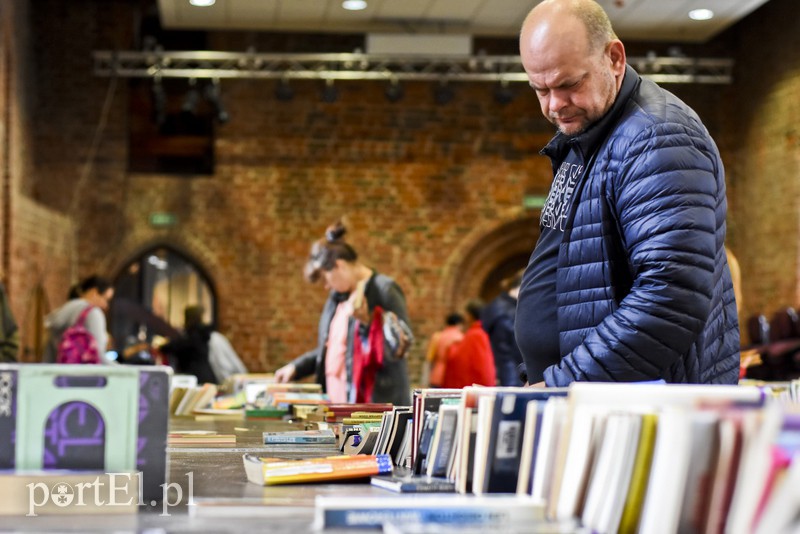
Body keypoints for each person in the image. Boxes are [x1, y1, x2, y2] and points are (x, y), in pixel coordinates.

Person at [514, 0, 740, 387]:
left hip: (638, 407)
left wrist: (562, 382)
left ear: (615, 58)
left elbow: (671, 297)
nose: (555, 105)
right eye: (541, 90)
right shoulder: (589, 133)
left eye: (569, 85)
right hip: (586, 397)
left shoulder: (656, 136)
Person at [274, 221, 412, 405]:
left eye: (326, 278)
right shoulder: (337, 298)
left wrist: (368, 323)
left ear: (339, 265)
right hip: (340, 404)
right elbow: (334, 349)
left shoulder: (384, 290)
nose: (326, 286)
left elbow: (401, 346)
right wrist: (296, 367)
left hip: (377, 405)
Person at [43, 275, 115, 363]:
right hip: (82, 371)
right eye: (106, 299)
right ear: (94, 292)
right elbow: (98, 356)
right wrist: (122, 369)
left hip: (56, 370)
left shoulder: (64, 310)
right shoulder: (93, 313)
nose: (106, 305)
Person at [158, 305, 225, 384]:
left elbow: (177, 346)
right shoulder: (202, 333)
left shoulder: (194, 335)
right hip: (204, 376)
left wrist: (161, 346)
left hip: (196, 378)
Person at [481, 270, 525, 386]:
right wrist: (513, 387)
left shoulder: (501, 306)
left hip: (506, 376)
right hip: (511, 380)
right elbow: (507, 357)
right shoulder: (506, 312)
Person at [442, 300, 496, 389]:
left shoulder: (475, 334)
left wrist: (452, 348)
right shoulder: (477, 333)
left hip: (474, 385)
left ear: (470, 315)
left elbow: (462, 359)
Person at [425, 313, 465, 387]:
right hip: (454, 377)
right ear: (459, 324)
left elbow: (429, 359)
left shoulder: (437, 336)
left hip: (436, 376)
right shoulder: (462, 338)